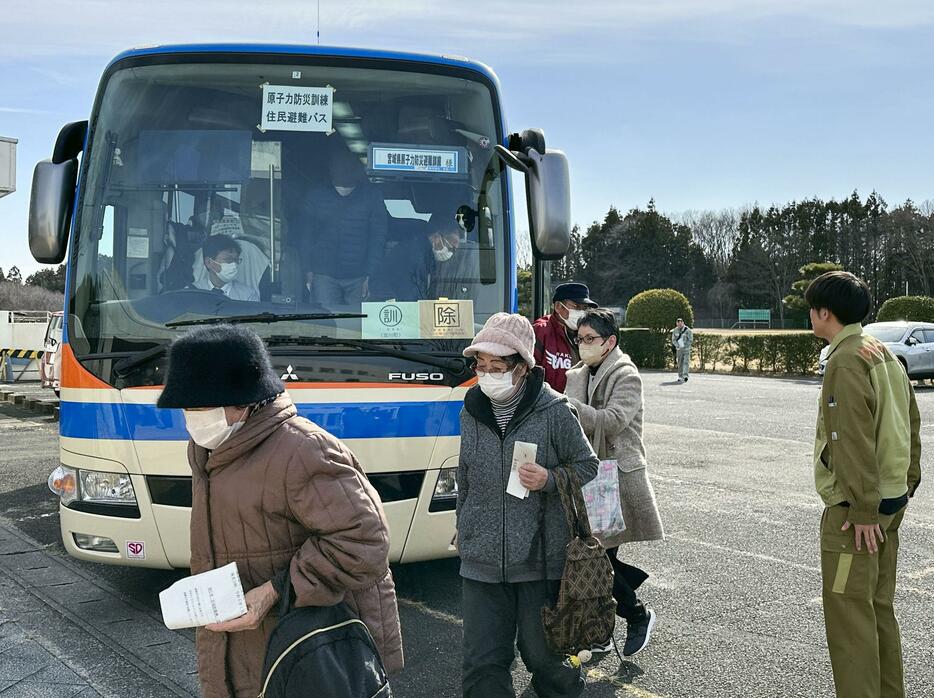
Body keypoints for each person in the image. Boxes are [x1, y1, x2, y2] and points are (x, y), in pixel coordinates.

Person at [156, 325, 403, 697]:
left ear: (241, 401)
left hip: (309, 653)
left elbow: (365, 542)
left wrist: (273, 591)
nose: (189, 418)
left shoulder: (303, 449)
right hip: (246, 650)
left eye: (198, 406)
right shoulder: (212, 449)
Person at [457, 312, 599, 697]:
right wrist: (463, 524)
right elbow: (464, 475)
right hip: (481, 557)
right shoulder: (471, 409)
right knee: (482, 660)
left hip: (538, 559)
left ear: (522, 367)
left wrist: (550, 479)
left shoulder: (554, 410)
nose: (486, 374)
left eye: (497, 366)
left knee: (543, 656)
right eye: (480, 366)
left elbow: (588, 465)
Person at [807, 271, 921, 698]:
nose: (810, 317)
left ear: (825, 313)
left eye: (812, 310)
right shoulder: (882, 352)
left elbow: (849, 439)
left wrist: (860, 509)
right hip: (891, 500)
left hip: (857, 512)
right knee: (877, 610)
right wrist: (908, 484)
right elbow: (912, 421)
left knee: (851, 619)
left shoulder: (846, 358)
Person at [564, 308, 665, 658]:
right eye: (579, 339)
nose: (583, 345)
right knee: (597, 556)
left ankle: (635, 615)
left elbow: (614, 419)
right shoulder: (577, 374)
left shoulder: (626, 374)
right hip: (587, 474)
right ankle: (607, 629)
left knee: (596, 557)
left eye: (590, 339)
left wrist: (568, 406)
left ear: (610, 342)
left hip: (614, 477)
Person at [305, 146, 388, 306]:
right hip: (327, 273)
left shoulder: (372, 196)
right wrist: (308, 269)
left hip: (355, 275)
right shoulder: (316, 195)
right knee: (340, 326)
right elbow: (306, 235)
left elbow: (378, 237)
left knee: (335, 325)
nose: (344, 189)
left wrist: (371, 275)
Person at [369, 218, 461, 301]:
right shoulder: (415, 255)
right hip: (386, 308)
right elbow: (409, 295)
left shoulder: (424, 255)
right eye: (451, 248)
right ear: (436, 237)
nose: (451, 253)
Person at [533, 283, 598, 392]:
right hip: (547, 405)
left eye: (585, 308)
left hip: (580, 404)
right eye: (577, 306)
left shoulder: (589, 334)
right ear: (558, 306)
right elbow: (528, 374)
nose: (581, 312)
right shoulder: (540, 331)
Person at [190, 234, 260, 301]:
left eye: (236, 260)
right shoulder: (192, 293)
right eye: (228, 260)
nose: (234, 265)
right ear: (208, 262)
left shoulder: (248, 296)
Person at [670, 318, 693, 383]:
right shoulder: (675, 330)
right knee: (680, 363)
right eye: (678, 324)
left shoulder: (688, 330)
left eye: (680, 324)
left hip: (686, 349)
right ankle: (680, 376)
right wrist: (677, 345)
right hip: (679, 349)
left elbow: (690, 339)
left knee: (686, 362)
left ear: (683, 323)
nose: (679, 326)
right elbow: (673, 340)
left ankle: (685, 376)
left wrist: (686, 346)